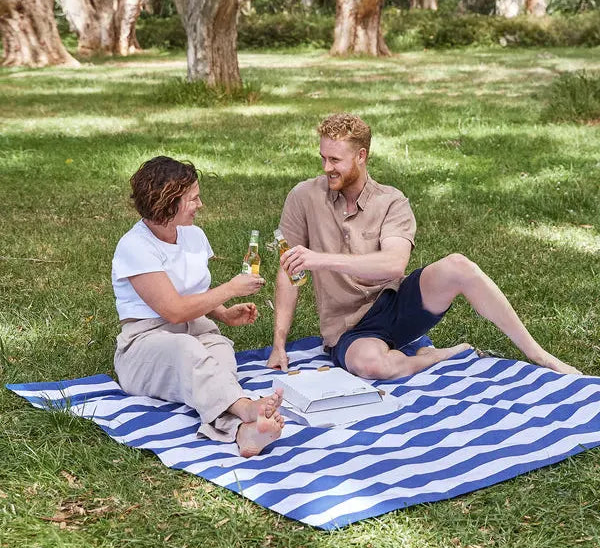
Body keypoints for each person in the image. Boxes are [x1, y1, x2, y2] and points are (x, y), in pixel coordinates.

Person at [267, 113, 580, 379]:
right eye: (323, 157)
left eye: (335, 159)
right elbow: (288, 271)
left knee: (459, 266)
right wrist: (279, 343)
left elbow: (393, 265)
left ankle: (540, 356)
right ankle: (435, 356)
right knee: (374, 365)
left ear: (361, 156)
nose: (326, 167)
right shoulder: (304, 196)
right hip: (348, 330)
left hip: (396, 303)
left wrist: (320, 260)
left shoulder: (391, 200)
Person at [112, 155, 284, 458]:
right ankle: (246, 407)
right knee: (189, 353)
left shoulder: (194, 235)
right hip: (144, 344)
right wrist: (230, 288)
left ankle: (244, 433)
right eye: (193, 199)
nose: (200, 204)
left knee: (219, 354)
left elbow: (193, 292)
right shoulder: (135, 247)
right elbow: (174, 310)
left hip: (196, 327)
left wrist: (223, 314)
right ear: (168, 203)